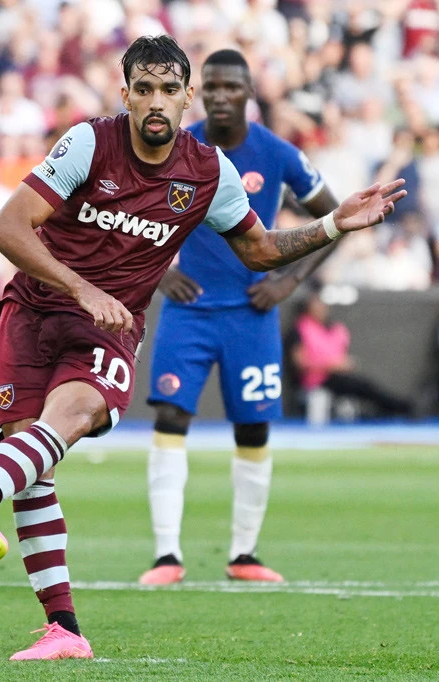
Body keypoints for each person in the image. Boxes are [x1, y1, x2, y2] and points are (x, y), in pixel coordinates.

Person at [0, 35, 407, 661]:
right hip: (33, 311)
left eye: (168, 90)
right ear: (124, 94)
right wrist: (79, 285)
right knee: (29, 463)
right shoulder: (90, 143)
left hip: (107, 325)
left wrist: (333, 224)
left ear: (186, 99)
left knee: (66, 421)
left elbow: (258, 250)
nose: (156, 102)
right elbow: (8, 226)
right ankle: (64, 630)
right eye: (143, 89)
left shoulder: (209, 173)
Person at [139, 49, 340, 587]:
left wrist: (289, 282)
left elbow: (336, 217)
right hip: (189, 311)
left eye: (232, 87)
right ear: (199, 92)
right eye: (213, 87)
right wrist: (159, 273)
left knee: (252, 426)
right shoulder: (176, 146)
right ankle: (166, 557)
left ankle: (244, 554)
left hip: (251, 314)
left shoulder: (277, 153)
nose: (222, 96)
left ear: (250, 93)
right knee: (170, 419)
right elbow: (130, 213)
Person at [290, 284, 414, 419]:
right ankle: (402, 407)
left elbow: (341, 356)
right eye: (316, 303)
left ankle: (397, 408)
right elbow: (300, 363)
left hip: (338, 378)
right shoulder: (300, 328)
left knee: (365, 385)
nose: (321, 308)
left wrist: (344, 365)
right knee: (361, 386)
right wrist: (331, 365)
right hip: (316, 381)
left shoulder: (336, 329)